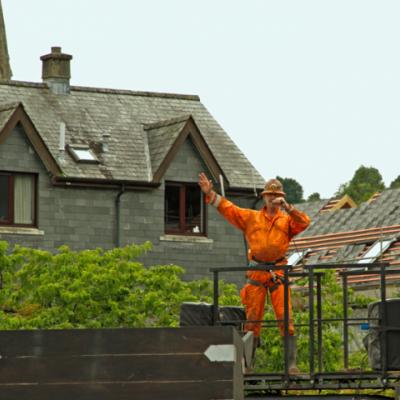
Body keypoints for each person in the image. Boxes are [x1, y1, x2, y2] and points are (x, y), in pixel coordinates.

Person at [198, 172, 310, 373]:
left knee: (285, 316)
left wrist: (288, 207)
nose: (272, 199)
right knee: (252, 320)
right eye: (269, 195)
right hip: (257, 271)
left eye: (276, 196)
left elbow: (304, 222)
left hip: (279, 271)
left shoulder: (286, 221)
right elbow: (229, 209)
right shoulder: (252, 218)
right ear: (263, 197)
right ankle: (248, 366)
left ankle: (291, 365)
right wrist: (210, 193)